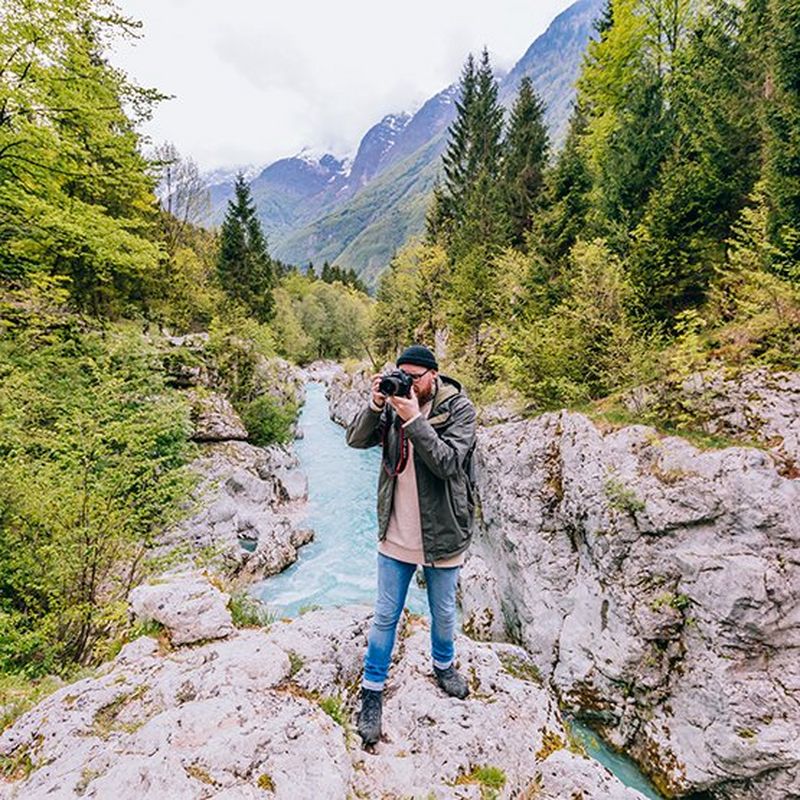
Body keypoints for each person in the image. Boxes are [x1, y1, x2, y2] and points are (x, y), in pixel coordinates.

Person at [345, 344, 477, 747]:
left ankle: (444, 666)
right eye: (402, 374)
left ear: (433, 376)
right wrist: (375, 404)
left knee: (442, 611)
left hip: (443, 531)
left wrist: (415, 419)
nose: (408, 382)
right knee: (385, 615)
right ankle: (372, 692)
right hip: (396, 530)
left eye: (415, 376)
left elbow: (448, 463)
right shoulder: (392, 404)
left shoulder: (459, 410)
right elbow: (354, 440)